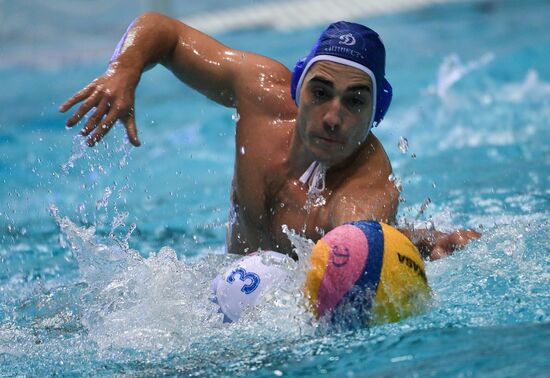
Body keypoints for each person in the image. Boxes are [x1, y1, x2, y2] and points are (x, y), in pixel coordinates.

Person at [59, 13, 479, 260]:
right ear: (298, 88)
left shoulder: (367, 183)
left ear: (376, 115)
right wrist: (124, 70)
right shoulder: (261, 94)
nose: (333, 116)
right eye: (320, 93)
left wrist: (378, 248)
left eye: (354, 102)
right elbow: (163, 32)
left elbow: (355, 243)